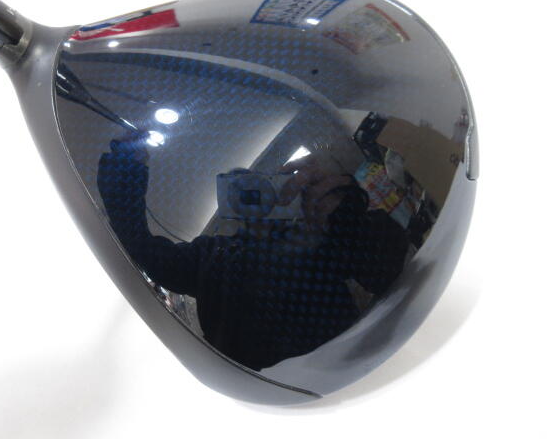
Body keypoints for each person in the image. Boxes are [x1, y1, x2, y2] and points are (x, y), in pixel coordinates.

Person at [97, 133, 409, 371]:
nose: (249, 197)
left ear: (273, 186)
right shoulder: (209, 255)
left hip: (348, 368)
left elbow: (384, 269)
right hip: (262, 391)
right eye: (237, 194)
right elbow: (148, 254)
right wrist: (125, 174)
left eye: (256, 187)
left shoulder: (312, 235)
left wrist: (343, 211)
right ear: (228, 206)